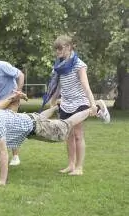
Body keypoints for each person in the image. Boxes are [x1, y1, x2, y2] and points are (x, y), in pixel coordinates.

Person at [0, 99, 110, 186]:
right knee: (39, 117)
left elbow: (4, 153)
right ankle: (58, 106)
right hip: (29, 120)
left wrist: (2, 181)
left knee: (65, 127)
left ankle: (94, 108)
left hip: (35, 127)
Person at [42, 35, 111, 176]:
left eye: (59, 48)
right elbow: (58, 85)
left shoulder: (79, 64)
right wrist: (53, 99)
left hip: (80, 101)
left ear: (68, 47)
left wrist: (91, 104)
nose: (57, 52)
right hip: (66, 102)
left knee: (78, 134)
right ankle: (71, 165)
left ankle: (79, 167)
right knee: (69, 135)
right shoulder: (59, 65)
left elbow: (86, 86)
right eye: (55, 49)